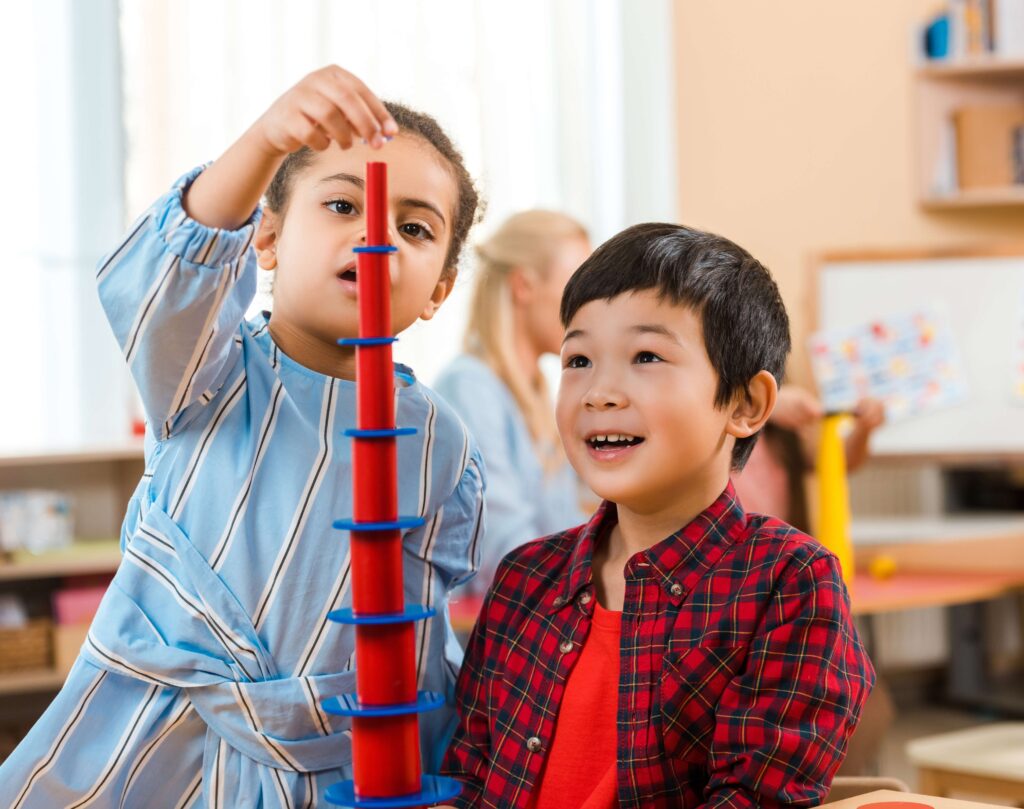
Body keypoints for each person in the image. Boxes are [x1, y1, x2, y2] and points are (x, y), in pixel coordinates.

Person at [0, 66, 485, 808]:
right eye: (342, 203)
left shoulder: (443, 442)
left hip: (338, 770)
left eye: (414, 227)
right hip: (156, 751)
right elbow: (169, 272)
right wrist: (266, 139)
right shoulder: (205, 373)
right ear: (266, 235)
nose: (374, 232)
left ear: (440, 289)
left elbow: (419, 634)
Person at [440, 223, 875, 808]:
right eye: (578, 360)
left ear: (745, 404)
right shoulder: (524, 580)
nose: (600, 392)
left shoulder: (790, 583)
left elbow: (753, 797)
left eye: (645, 355)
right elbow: (466, 780)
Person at [435, 211, 591, 593]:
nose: (589, 307)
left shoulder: (539, 395)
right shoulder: (469, 387)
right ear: (523, 285)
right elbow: (506, 547)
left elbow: (571, 527)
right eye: (579, 288)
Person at [734, 386, 886, 533]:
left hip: (774, 542)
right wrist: (765, 403)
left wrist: (863, 430)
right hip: (726, 542)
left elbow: (833, 460)